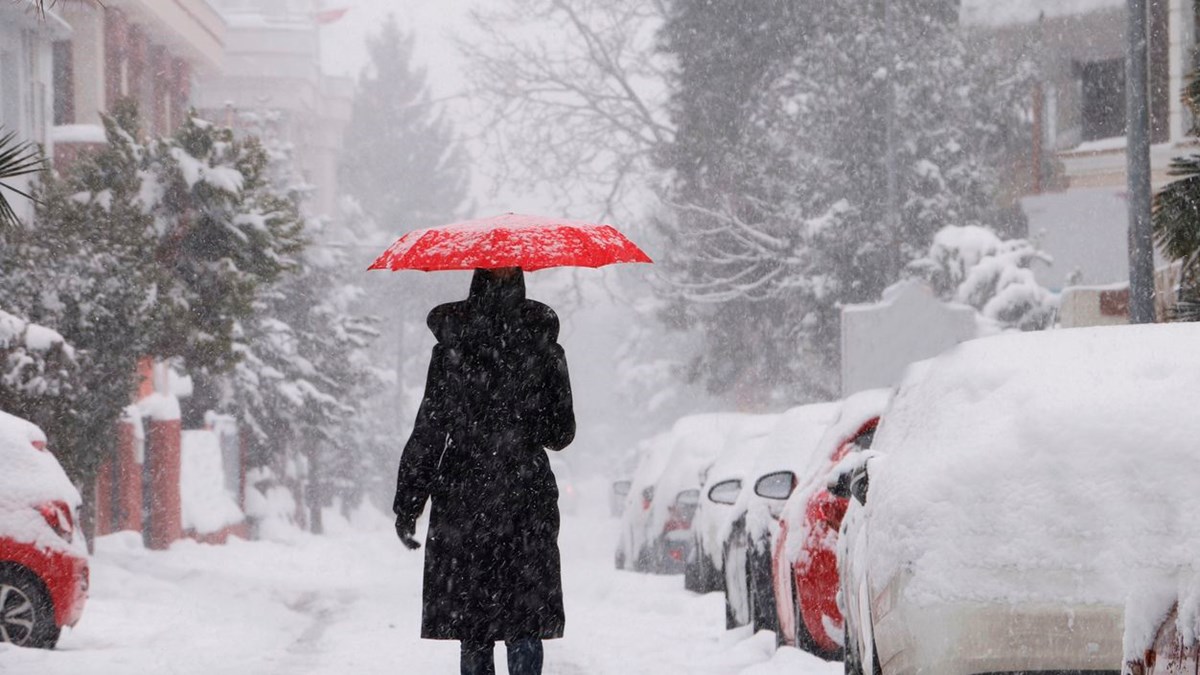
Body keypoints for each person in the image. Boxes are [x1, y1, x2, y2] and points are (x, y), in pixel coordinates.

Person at [393, 267, 576, 675]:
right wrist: (527, 415)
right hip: (524, 494)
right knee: (524, 618)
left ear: (475, 281)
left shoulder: (452, 346)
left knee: (473, 622)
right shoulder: (543, 347)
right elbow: (562, 434)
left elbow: (430, 430)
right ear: (520, 282)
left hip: (464, 496)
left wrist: (408, 505)